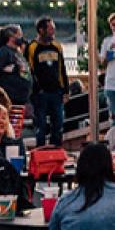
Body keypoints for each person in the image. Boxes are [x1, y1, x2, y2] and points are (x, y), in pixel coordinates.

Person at [26, 18, 70, 148]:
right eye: (50, 29)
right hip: (40, 93)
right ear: (41, 30)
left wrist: (66, 90)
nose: (53, 31)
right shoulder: (32, 47)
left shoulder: (56, 46)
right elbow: (29, 70)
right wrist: (34, 90)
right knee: (41, 125)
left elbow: (62, 69)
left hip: (56, 92)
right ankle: (40, 151)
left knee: (58, 124)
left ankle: (55, 150)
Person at [0, 25, 30, 109]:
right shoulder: (4, 52)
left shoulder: (17, 53)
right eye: (19, 35)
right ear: (11, 37)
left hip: (21, 98)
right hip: (10, 98)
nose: (22, 38)